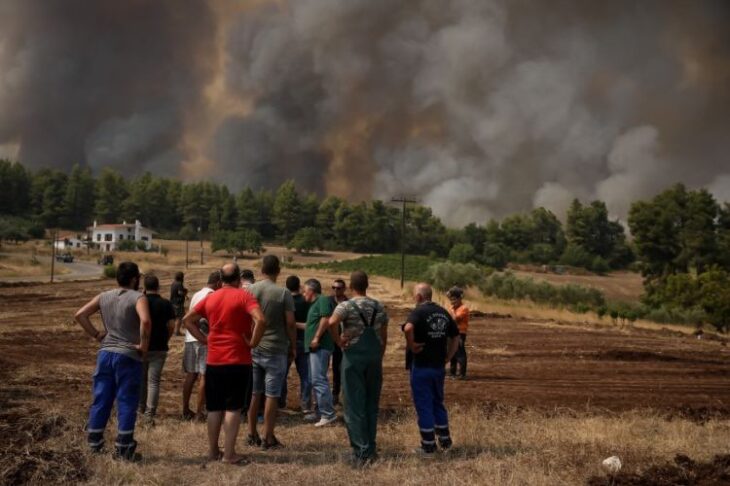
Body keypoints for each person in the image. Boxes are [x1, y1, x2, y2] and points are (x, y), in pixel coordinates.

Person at [183, 263, 266, 464]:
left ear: (220, 279)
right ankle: (229, 454)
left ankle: (213, 452)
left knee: (214, 408)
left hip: (214, 359)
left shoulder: (211, 297)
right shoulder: (244, 296)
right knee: (233, 408)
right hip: (238, 359)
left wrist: (204, 339)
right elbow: (261, 320)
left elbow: (187, 320)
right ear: (238, 278)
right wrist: (253, 342)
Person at [74, 262, 151, 461]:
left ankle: (94, 443)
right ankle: (124, 447)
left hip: (105, 353)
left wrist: (97, 334)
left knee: (101, 398)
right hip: (127, 355)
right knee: (126, 400)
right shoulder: (138, 297)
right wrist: (143, 345)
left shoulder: (104, 296)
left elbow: (80, 315)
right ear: (135, 279)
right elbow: (145, 321)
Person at [329, 271, 388, 466]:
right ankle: (370, 447)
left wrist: (339, 341)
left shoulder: (345, 306)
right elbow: (383, 334)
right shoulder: (379, 306)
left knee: (354, 405)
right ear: (367, 285)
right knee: (371, 404)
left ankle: (361, 453)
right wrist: (380, 354)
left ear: (351, 287)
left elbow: (332, 322)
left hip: (353, 358)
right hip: (374, 358)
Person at [402, 283, 460, 457]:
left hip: (421, 366)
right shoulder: (443, 312)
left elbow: (408, 328)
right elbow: (456, 337)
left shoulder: (418, 312)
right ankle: (445, 441)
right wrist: (449, 357)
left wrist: (411, 345)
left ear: (419, 297)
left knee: (424, 406)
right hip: (438, 367)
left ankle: (428, 446)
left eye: (414, 295)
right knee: (437, 403)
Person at [247, 256, 296, 449]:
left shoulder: (251, 290)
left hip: (255, 347)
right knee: (272, 395)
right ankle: (268, 436)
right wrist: (293, 346)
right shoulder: (283, 293)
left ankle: (251, 433)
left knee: (255, 393)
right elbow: (291, 323)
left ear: (261, 270)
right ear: (279, 271)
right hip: (276, 349)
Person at [183, 271, 222, 421]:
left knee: (191, 375)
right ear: (218, 283)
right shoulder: (211, 296)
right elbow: (204, 320)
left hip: (190, 339)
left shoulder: (197, 294)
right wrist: (206, 339)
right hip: (203, 338)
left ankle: (186, 409)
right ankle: (199, 413)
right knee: (204, 376)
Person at [139, 275, 176, 424]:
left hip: (142, 346)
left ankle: (139, 409)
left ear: (145, 287)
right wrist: (166, 338)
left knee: (142, 380)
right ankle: (149, 414)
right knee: (154, 381)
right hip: (160, 347)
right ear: (158, 286)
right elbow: (172, 326)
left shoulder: (140, 302)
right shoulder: (166, 304)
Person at [302, 278, 338, 427]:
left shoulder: (322, 300)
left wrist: (316, 337)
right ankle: (320, 411)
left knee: (318, 379)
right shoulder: (314, 305)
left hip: (320, 347)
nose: (304, 294)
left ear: (311, 291)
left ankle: (328, 414)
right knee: (315, 379)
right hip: (314, 348)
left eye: (305, 291)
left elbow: (326, 319)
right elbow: (310, 325)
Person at [279, 275, 312, 412]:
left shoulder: (283, 302)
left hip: (286, 341)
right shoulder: (306, 301)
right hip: (303, 340)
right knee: (305, 375)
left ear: (286, 287)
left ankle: (281, 403)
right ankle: (305, 405)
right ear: (299, 286)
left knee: (282, 374)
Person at [329, 279, 348, 406]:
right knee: (328, 369)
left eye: (339, 288)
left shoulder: (348, 303)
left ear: (344, 289)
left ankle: (338, 394)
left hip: (341, 341)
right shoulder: (328, 301)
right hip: (328, 339)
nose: (336, 290)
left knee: (340, 368)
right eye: (334, 287)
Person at [447, 287, 469, 380]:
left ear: (460, 299)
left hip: (460, 333)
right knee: (453, 353)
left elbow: (455, 319)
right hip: (452, 333)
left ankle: (462, 374)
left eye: (454, 299)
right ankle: (452, 373)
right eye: (451, 299)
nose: (452, 301)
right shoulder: (452, 308)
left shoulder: (464, 308)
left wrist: (451, 312)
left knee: (460, 353)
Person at [170, 272, 188, 336]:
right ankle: (177, 332)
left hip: (173, 302)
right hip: (178, 303)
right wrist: (185, 292)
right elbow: (180, 293)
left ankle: (178, 330)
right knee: (179, 318)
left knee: (179, 317)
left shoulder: (173, 283)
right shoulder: (179, 284)